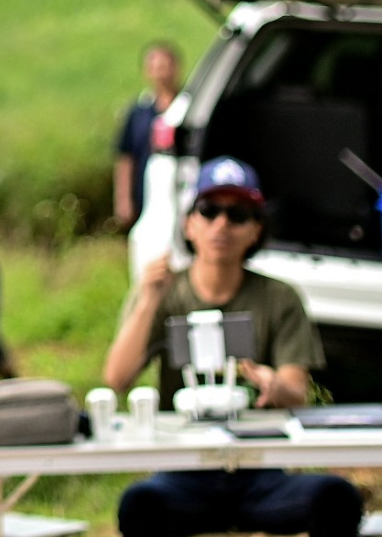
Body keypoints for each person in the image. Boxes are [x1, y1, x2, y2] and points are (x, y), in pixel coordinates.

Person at [102, 156, 363, 537]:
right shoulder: (161, 291)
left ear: (256, 230)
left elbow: (297, 392)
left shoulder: (279, 296)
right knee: (140, 505)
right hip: (183, 468)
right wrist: (147, 302)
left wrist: (273, 385)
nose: (221, 224)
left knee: (336, 498)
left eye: (237, 214)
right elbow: (116, 378)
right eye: (209, 211)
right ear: (189, 224)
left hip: (260, 470)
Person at [113, 42, 181, 231]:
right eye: (155, 68)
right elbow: (126, 156)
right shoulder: (138, 112)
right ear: (147, 72)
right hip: (145, 193)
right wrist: (123, 199)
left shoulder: (188, 107)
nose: (161, 74)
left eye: (165, 67)